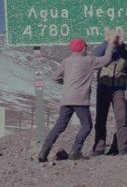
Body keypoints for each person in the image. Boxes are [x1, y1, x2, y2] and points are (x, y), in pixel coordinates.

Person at [38, 33, 117, 162]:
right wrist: (111, 44)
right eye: (86, 45)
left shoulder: (66, 61)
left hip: (66, 98)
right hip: (80, 99)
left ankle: (44, 151)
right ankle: (75, 151)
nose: (87, 47)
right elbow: (106, 60)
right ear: (82, 48)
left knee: (59, 126)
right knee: (86, 125)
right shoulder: (88, 60)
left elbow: (54, 77)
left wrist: (66, 83)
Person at [92, 31, 127, 156]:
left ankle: (123, 148)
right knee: (100, 119)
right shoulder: (104, 51)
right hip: (103, 87)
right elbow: (97, 54)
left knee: (121, 119)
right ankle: (99, 148)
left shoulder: (124, 55)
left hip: (119, 89)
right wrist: (108, 41)